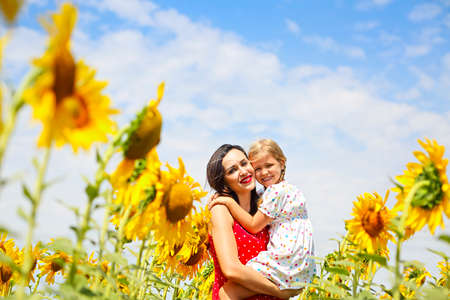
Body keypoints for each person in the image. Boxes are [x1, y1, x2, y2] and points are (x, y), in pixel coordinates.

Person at [209, 139, 316, 300]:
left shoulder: (265, 209)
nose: (243, 171)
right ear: (223, 182)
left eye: (245, 163)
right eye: (232, 170)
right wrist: (279, 290)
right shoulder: (222, 210)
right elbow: (231, 269)